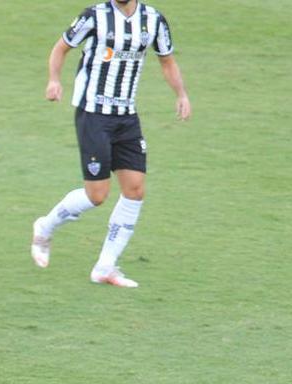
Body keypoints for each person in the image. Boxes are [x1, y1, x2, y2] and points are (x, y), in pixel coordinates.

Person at [30, 0, 191, 288]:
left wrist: (181, 94)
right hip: (93, 115)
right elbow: (61, 47)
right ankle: (45, 227)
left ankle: (105, 266)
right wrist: (53, 80)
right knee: (97, 195)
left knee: (135, 190)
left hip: (127, 117)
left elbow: (167, 60)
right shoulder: (95, 16)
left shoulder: (153, 19)